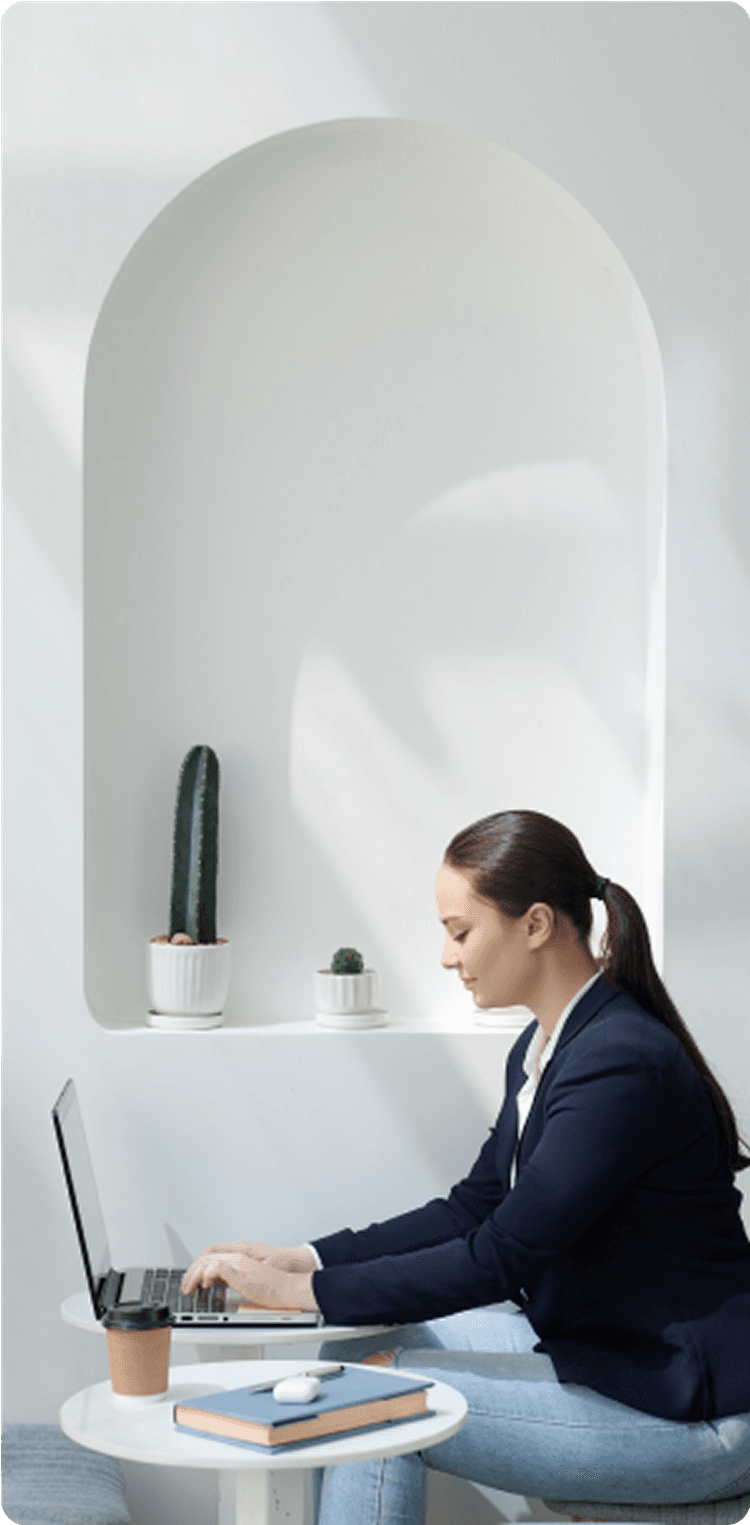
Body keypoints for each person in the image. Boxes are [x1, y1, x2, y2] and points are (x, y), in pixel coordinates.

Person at [182, 810, 750, 1524]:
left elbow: (501, 1253)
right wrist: (303, 1258)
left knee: (364, 1405)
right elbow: (471, 1207)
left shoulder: (618, 1061)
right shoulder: (548, 1045)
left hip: (693, 1407)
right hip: (605, 1348)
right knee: (356, 1348)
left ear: (537, 924)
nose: (449, 957)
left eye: (460, 930)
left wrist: (302, 1289)